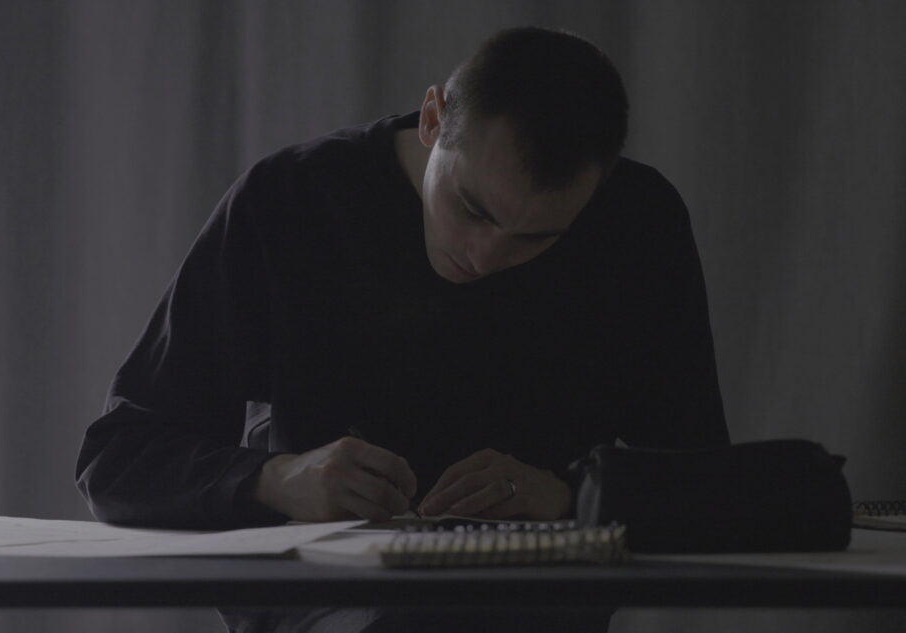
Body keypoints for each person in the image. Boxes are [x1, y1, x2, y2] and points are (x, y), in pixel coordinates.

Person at [76, 26, 729, 633]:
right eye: (471, 209)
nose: (485, 255)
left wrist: (573, 492)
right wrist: (276, 479)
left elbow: (708, 483)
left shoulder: (638, 223)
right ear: (431, 119)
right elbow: (118, 459)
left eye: (538, 237)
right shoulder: (290, 204)